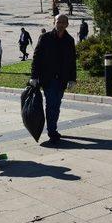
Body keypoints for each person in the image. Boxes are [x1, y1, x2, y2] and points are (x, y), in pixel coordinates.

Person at [30, 14, 77, 143]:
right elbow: (36, 57)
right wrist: (34, 76)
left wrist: (72, 79)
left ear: (67, 24)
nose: (60, 24)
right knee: (51, 104)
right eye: (58, 22)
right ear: (54, 22)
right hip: (48, 78)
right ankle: (52, 131)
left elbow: (72, 61)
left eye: (63, 22)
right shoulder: (45, 38)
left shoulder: (69, 40)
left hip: (62, 79)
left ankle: (52, 128)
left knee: (56, 104)